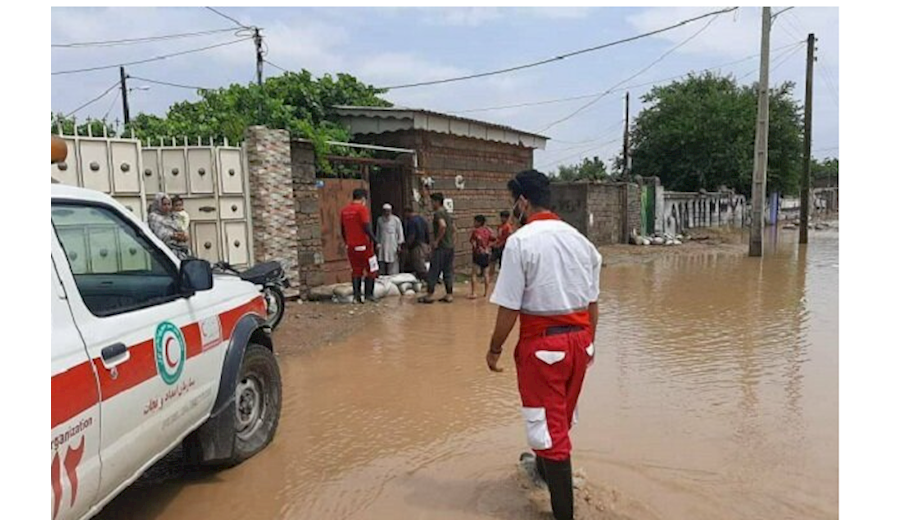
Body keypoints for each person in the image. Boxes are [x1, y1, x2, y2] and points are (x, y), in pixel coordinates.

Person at [485, 169, 601, 520]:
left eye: (512, 202)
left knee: (549, 428)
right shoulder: (581, 241)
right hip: (580, 341)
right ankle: (540, 470)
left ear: (522, 201)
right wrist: (589, 347)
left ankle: (563, 513)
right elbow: (593, 303)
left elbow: (510, 305)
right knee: (558, 418)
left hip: (543, 346)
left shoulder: (521, 242)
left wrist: (494, 349)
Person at [341, 189, 380, 303]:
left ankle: (356, 296)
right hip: (364, 246)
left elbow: (342, 229)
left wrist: (347, 242)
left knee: (356, 271)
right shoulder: (362, 209)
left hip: (352, 247)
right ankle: (369, 295)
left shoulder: (344, 211)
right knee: (372, 269)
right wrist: (375, 240)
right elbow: (366, 227)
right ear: (363, 198)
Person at [419, 192, 455, 304]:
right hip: (449, 247)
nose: (431, 204)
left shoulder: (438, 213)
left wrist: (436, 241)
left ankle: (429, 295)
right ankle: (449, 295)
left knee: (434, 270)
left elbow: (442, 226)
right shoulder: (447, 213)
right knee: (448, 271)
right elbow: (454, 229)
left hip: (441, 248)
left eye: (432, 202)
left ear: (436, 202)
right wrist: (452, 242)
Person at [148, 193, 190, 259]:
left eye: (169, 204)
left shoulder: (173, 216)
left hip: (180, 249)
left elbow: (181, 227)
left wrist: (183, 235)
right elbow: (159, 234)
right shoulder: (154, 217)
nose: (167, 207)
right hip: (164, 251)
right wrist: (173, 235)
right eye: (164, 204)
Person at [468, 215, 494, 299]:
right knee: (486, 273)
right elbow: (493, 239)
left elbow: (472, 241)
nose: (474, 223)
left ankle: (474, 292)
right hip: (486, 254)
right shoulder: (488, 230)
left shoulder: (476, 231)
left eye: (475, 221)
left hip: (478, 254)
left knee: (474, 273)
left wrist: (476, 247)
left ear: (479, 222)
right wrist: (487, 247)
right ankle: (486, 293)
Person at [376, 203, 405, 275]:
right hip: (383, 244)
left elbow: (400, 233)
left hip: (393, 244)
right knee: (382, 261)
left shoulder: (396, 220)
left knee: (393, 262)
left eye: (388, 211)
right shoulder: (380, 220)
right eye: (385, 211)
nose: (387, 213)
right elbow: (378, 233)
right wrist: (377, 243)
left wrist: (399, 245)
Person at [403, 207, 430, 281]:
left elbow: (412, 235)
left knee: (419, 264)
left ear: (408, 212)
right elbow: (427, 231)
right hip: (423, 244)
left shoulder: (411, 221)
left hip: (416, 245)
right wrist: (428, 243)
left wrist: (407, 246)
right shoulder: (422, 219)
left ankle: (427, 281)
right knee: (421, 262)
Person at [490, 210, 513, 280]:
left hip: (503, 247)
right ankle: (491, 276)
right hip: (498, 246)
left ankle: (502, 277)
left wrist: (501, 244)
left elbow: (507, 238)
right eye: (501, 217)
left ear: (507, 218)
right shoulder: (500, 226)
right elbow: (498, 236)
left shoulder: (508, 227)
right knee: (492, 261)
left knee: (502, 263)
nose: (502, 219)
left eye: (504, 217)